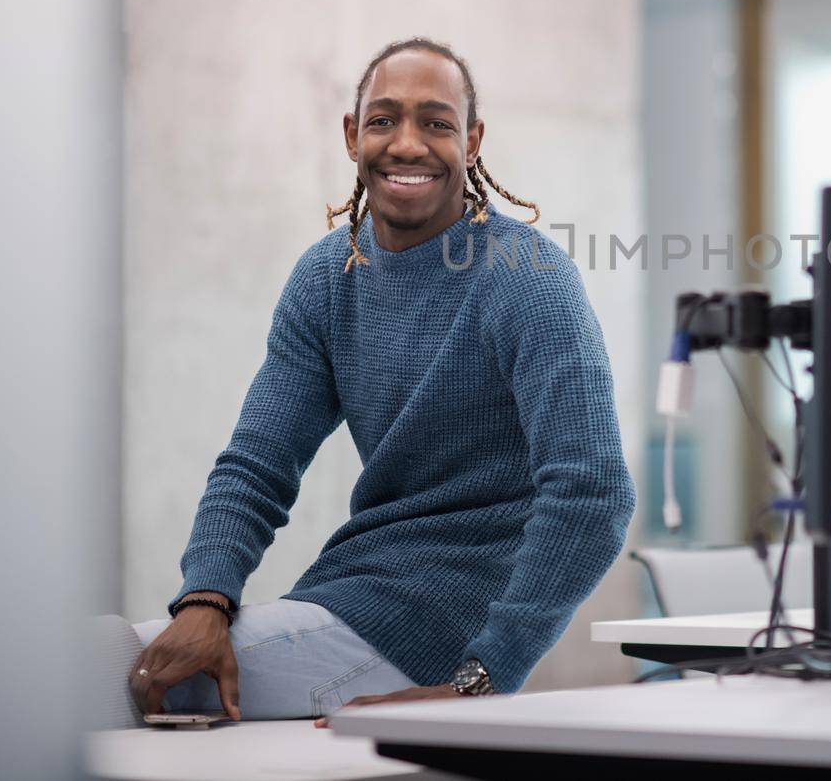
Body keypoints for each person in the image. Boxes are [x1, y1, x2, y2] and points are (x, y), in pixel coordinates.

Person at [127, 37, 636, 721]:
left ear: (472, 140)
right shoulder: (327, 276)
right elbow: (257, 462)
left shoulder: (528, 278)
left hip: (442, 638)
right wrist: (205, 596)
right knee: (103, 657)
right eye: (383, 119)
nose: (407, 143)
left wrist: (482, 679)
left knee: (99, 676)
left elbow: (592, 491)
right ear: (350, 135)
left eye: (435, 122)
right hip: (347, 595)